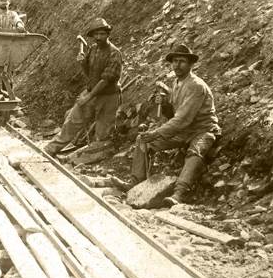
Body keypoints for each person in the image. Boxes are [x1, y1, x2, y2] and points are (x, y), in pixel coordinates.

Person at [130, 44, 220, 208]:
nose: (177, 65)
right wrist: (164, 104)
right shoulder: (177, 83)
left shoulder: (196, 85)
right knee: (143, 140)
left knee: (195, 152)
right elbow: (174, 114)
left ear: (191, 64)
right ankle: (136, 181)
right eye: (174, 61)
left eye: (182, 61)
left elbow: (181, 119)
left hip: (203, 129)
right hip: (184, 130)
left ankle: (179, 193)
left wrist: (156, 132)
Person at [44, 18, 122, 156]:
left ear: (108, 34)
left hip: (108, 96)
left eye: (102, 34)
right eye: (96, 35)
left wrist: (88, 97)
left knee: (103, 132)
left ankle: (98, 154)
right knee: (73, 120)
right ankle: (52, 148)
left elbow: (105, 81)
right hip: (92, 90)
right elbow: (89, 74)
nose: (98, 37)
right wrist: (82, 63)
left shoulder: (115, 53)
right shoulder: (93, 49)